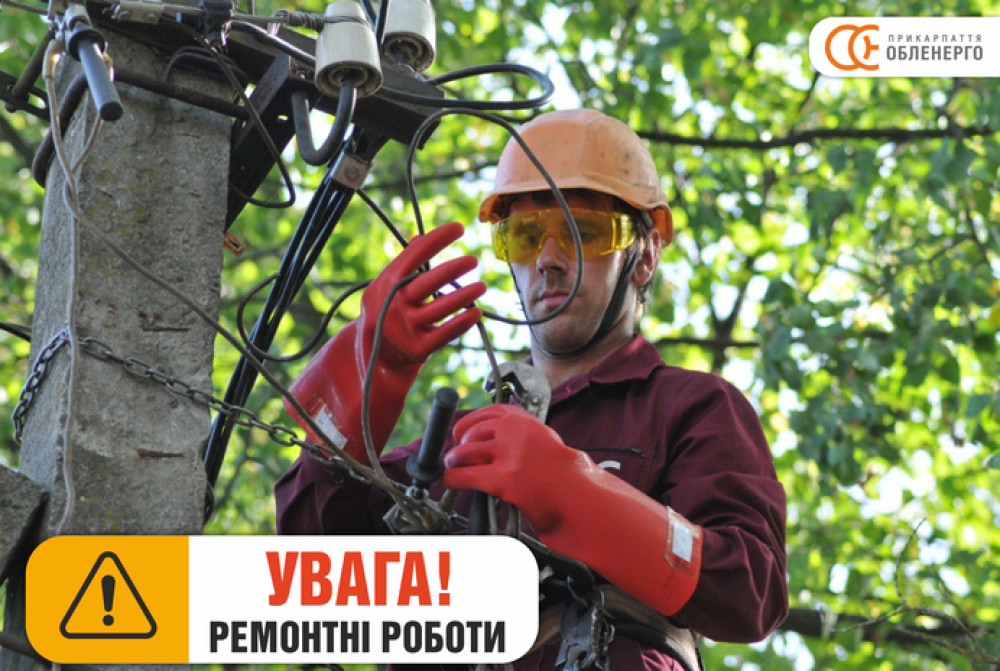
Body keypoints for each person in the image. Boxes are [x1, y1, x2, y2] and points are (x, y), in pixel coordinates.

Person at [275, 109, 788, 670]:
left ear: (643, 257)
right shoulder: (458, 448)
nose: (548, 260)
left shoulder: (688, 408)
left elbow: (750, 591)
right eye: (525, 236)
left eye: (583, 233)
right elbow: (308, 572)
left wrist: (580, 495)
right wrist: (364, 383)